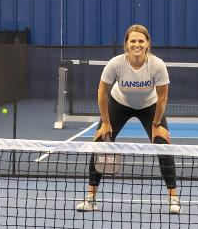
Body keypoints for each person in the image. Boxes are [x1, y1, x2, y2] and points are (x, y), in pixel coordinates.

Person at [75, 24, 180, 215]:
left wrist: (156, 125)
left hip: (150, 106)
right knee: (99, 143)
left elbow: (162, 98)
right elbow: (102, 92)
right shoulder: (115, 63)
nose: (136, 44)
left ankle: (174, 199)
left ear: (147, 44)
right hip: (120, 102)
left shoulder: (157, 65)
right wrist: (106, 123)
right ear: (126, 44)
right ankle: (91, 198)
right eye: (133, 41)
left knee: (163, 145)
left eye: (141, 41)